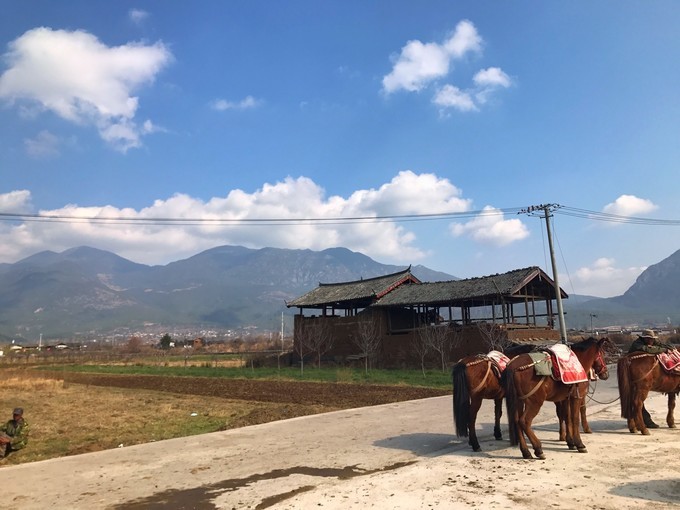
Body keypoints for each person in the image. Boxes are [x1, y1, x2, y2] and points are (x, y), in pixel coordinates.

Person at [628, 329, 673, 428]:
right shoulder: (637, 344)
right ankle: (644, 421)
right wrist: (662, 350)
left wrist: (666, 348)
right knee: (637, 399)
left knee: (637, 400)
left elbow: (665, 346)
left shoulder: (653, 342)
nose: (651, 341)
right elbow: (649, 350)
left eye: (652, 339)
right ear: (645, 338)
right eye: (649, 339)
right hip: (631, 369)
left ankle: (640, 420)